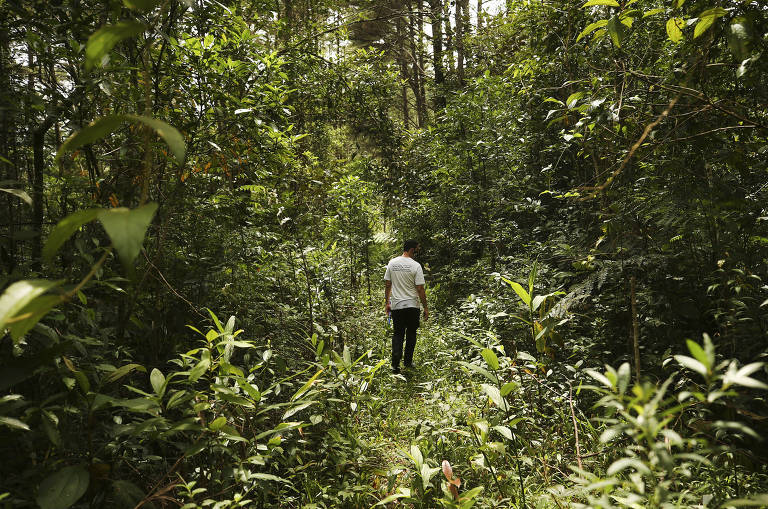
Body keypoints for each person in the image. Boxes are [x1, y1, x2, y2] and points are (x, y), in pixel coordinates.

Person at [384, 239, 429, 374]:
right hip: (412, 306)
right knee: (411, 333)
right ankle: (408, 362)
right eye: (417, 249)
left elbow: (387, 284)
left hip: (397, 305)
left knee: (398, 333)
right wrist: (425, 307)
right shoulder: (415, 265)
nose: (417, 252)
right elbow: (420, 288)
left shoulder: (392, 263)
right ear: (411, 250)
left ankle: (395, 365)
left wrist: (387, 302)